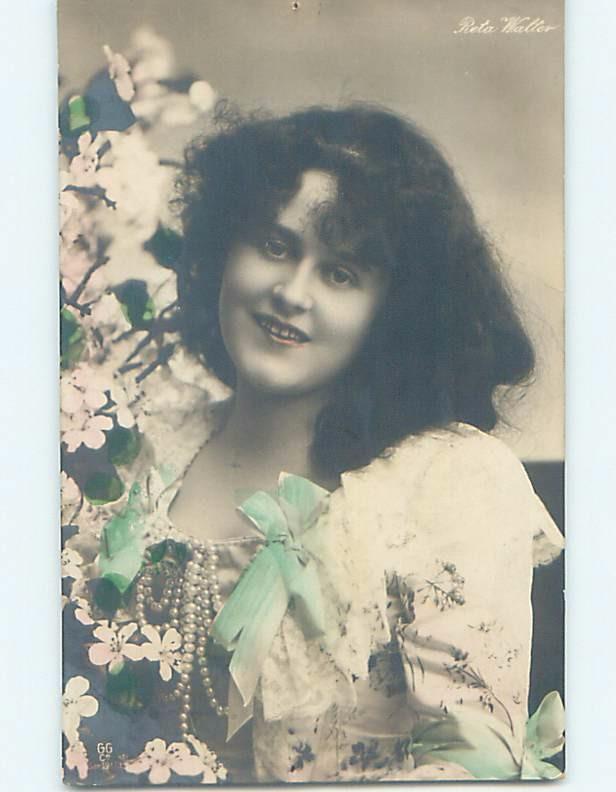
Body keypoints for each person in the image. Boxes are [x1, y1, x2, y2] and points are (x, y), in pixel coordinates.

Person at [64, 106, 564, 784]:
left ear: (392, 315)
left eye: (341, 274)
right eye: (275, 246)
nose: (291, 293)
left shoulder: (446, 481)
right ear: (223, 248)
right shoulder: (141, 448)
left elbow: (473, 766)